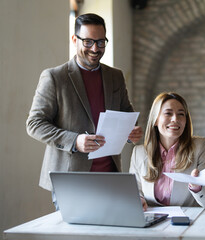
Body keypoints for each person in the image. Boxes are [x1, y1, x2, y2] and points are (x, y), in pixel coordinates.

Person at [26, 13, 142, 200]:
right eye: (88, 42)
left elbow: (126, 112)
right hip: (70, 181)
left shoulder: (116, 76)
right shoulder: (54, 77)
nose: (95, 49)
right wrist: (74, 141)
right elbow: (34, 124)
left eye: (101, 42)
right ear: (74, 40)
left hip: (110, 177)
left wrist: (132, 131)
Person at [129, 92, 205, 210]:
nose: (175, 119)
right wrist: (139, 199)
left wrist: (197, 187)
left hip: (188, 221)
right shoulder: (138, 153)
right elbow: (135, 191)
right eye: (168, 113)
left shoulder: (200, 147)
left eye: (181, 114)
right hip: (152, 220)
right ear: (155, 120)